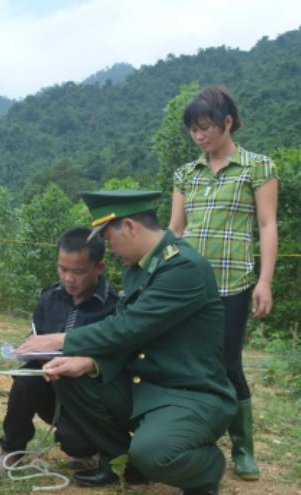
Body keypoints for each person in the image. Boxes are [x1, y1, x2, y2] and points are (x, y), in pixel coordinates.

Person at [17, 189, 237, 495]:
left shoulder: (183, 267)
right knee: (71, 376)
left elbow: (128, 327)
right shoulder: (138, 268)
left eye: (108, 239)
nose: (108, 248)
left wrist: (61, 339)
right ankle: (119, 461)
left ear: (131, 227)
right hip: (142, 384)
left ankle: (206, 469)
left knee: (155, 454)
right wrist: (90, 363)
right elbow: (129, 335)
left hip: (187, 392)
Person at [169, 85, 278, 481]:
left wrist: (264, 281)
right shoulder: (186, 173)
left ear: (226, 122)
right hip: (189, 287)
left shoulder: (257, 167)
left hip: (233, 284)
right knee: (189, 363)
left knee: (227, 364)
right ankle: (198, 439)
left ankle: (244, 448)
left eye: (205, 127)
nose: (199, 136)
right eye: (193, 130)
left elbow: (267, 225)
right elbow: (175, 230)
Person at [0, 227, 119, 475]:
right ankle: (12, 449)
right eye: (63, 269)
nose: (69, 278)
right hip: (48, 387)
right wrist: (28, 349)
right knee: (26, 379)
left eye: (78, 272)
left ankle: (88, 449)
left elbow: (113, 354)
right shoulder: (49, 299)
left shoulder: (113, 306)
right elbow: (36, 336)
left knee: (75, 443)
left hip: (86, 397)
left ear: (99, 268)